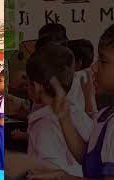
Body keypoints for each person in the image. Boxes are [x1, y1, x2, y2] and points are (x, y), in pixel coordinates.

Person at [28, 24, 114, 180]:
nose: (94, 67)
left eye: (103, 61)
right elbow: (88, 158)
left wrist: (62, 177)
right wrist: (65, 118)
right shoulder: (106, 115)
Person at [25, 43, 93, 177]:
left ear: (37, 87)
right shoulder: (76, 112)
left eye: (27, 83)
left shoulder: (42, 126)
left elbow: (49, 172)